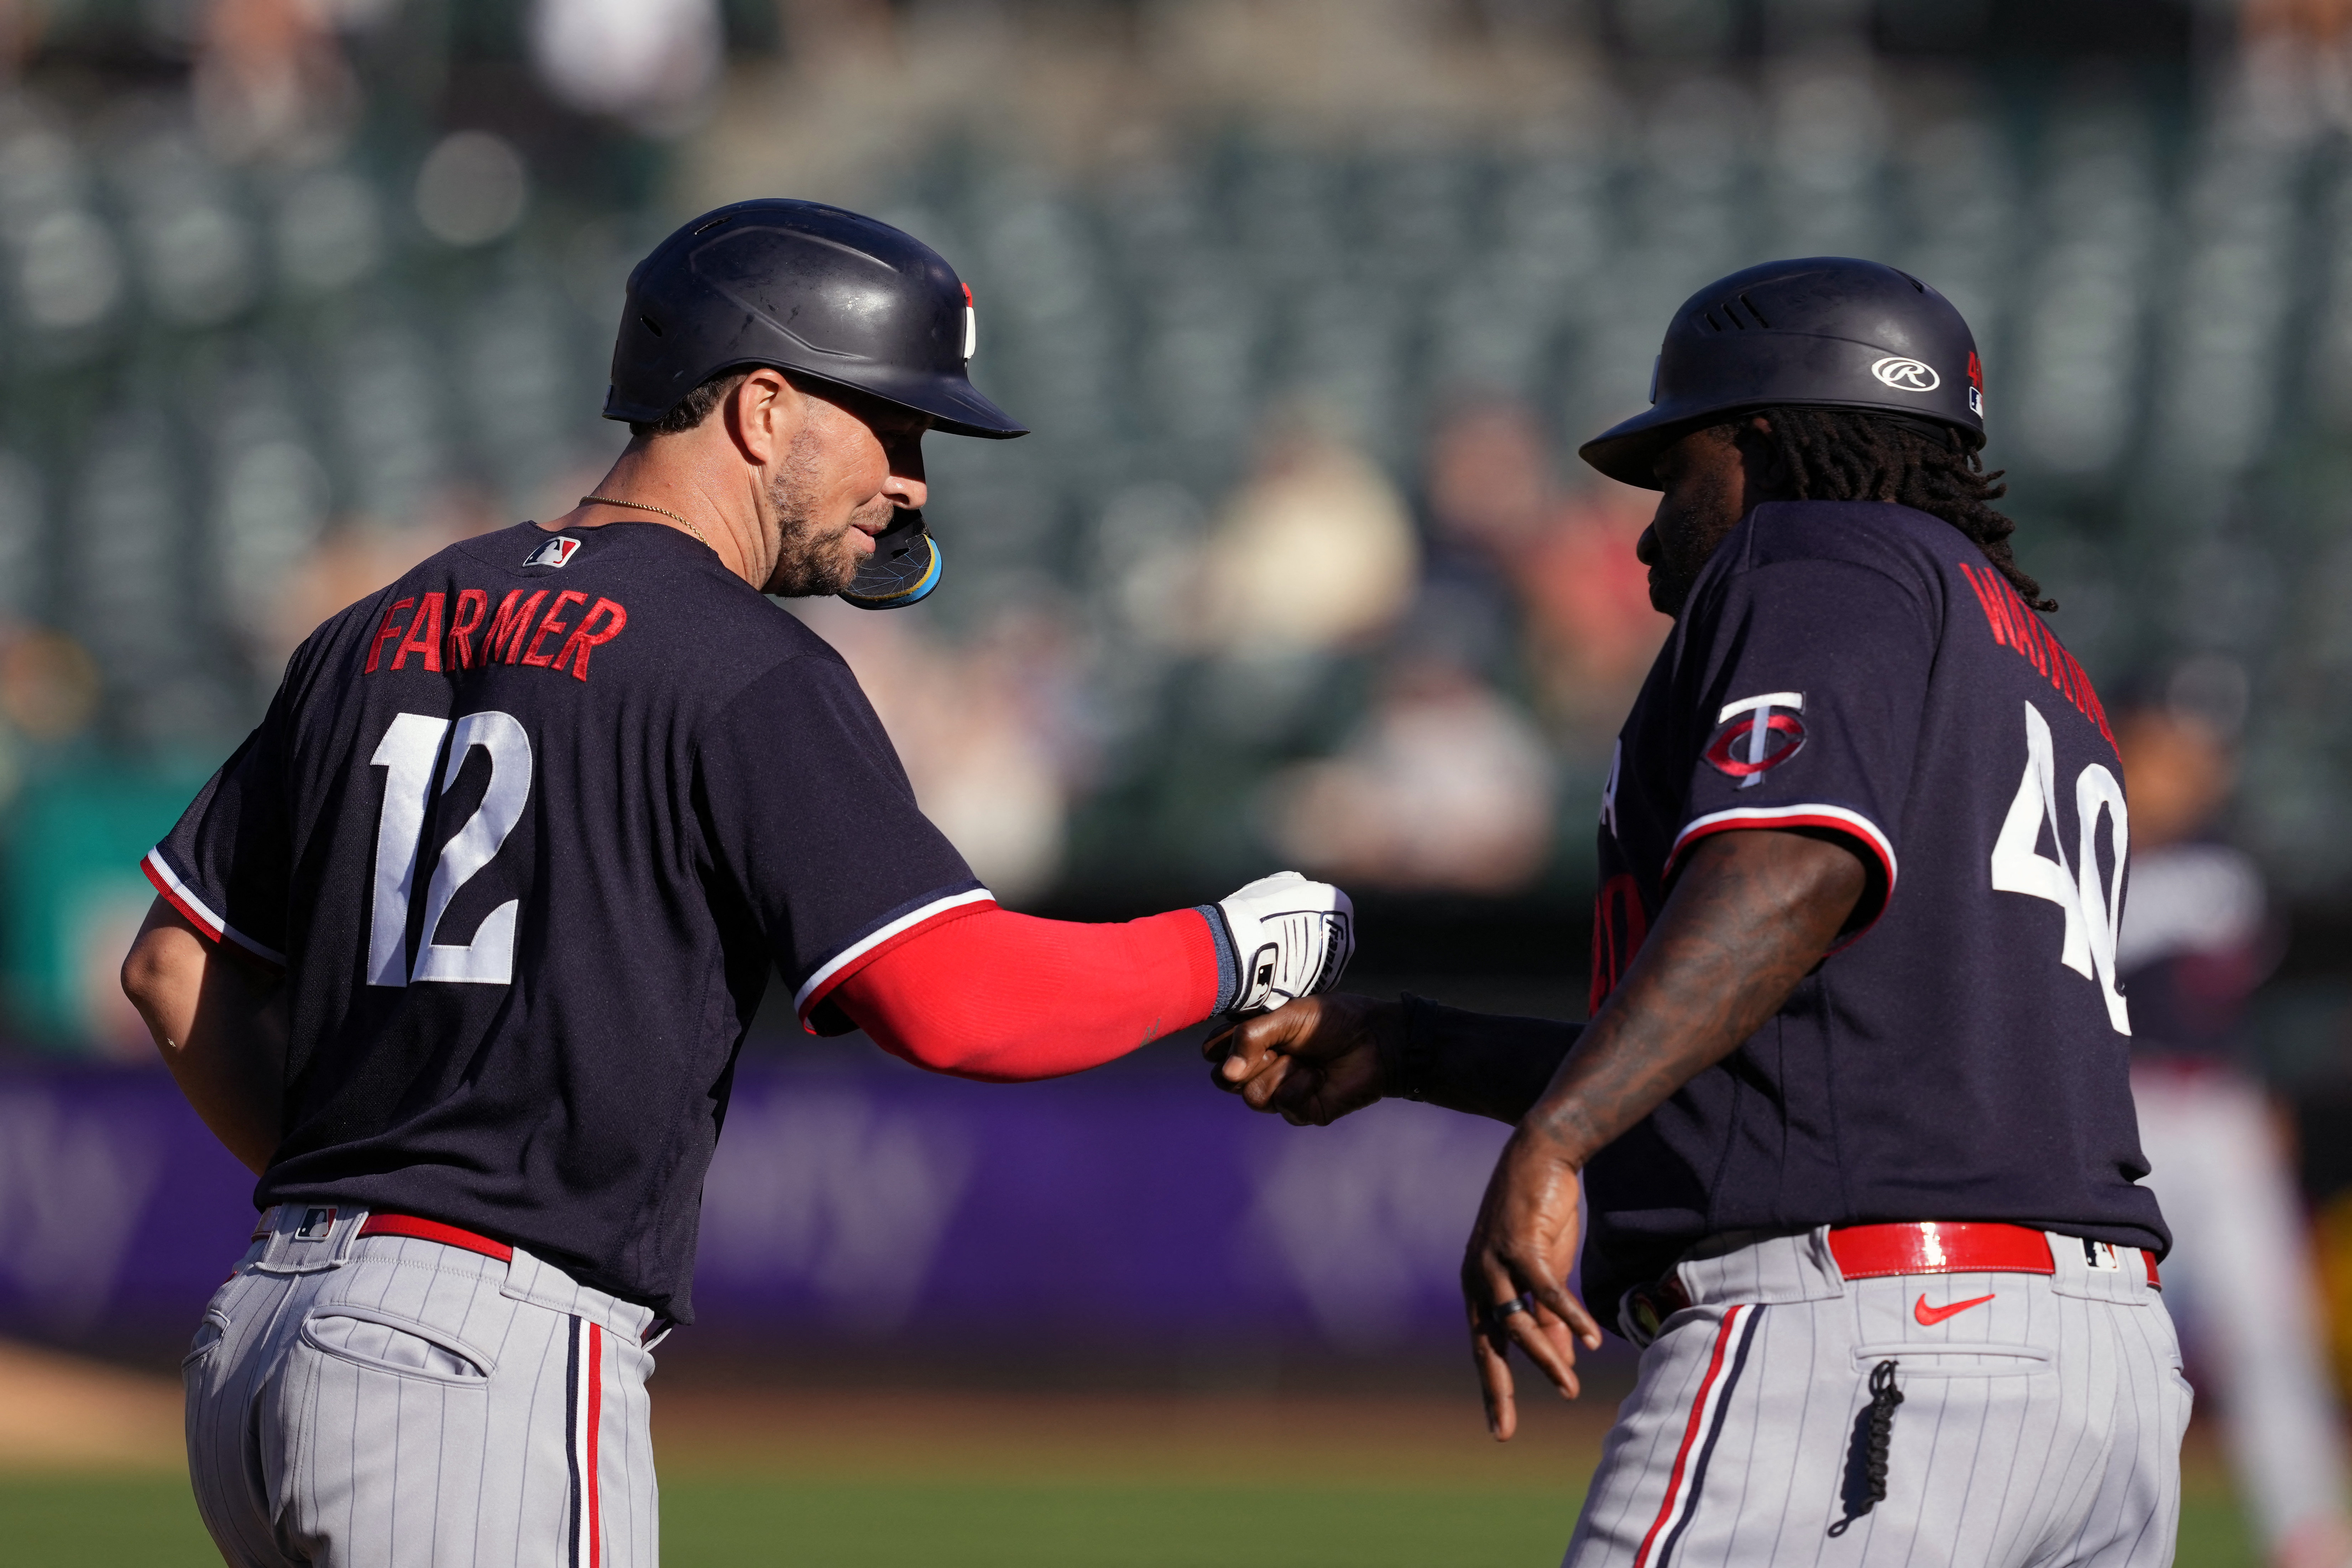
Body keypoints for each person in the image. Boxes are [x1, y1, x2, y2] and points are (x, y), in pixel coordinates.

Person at [119, 198, 1354, 1568]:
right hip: (477, 1359)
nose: (914, 480)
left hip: (262, 1332)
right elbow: (954, 1001)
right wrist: (1235, 945)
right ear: (764, 407)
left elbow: (174, 967)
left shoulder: (380, 622)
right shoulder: (737, 660)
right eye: (894, 425)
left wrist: (357, 1214)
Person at [1213, 257, 2185, 1567]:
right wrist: (1415, 1044)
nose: (1648, 530)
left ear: (1767, 441)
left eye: (1677, 474)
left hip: (1870, 1347)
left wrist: (1555, 1140)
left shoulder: (1813, 546)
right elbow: (1786, 1058)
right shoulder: (2028, 656)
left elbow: (1788, 873)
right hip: (2096, 1376)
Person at [2113, 678, 2352, 1568]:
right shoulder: (2077, 845)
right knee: (2111, 1336)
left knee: (2269, 1331)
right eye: (2166, 752)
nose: (2183, 774)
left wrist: (2268, 1096)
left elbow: (2247, 997)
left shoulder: (2226, 863)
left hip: (2217, 1110)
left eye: (2198, 759)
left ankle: (2309, 1534)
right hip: (2120, 1112)